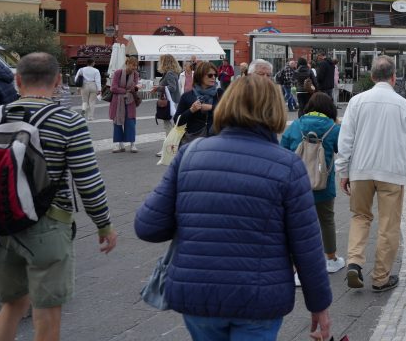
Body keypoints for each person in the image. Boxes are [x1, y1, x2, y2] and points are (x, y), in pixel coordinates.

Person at [134, 75, 332, 341]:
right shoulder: (287, 166)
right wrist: (319, 304)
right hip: (258, 297)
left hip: (198, 294)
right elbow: (306, 246)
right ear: (275, 110)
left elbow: (147, 226)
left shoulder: (191, 154)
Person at [0, 53, 118, 340]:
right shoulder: (68, 121)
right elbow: (88, 181)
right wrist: (104, 225)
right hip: (49, 223)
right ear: (57, 82)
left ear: (17, 80)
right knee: (47, 311)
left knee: (12, 304)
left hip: (3, 223)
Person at [336, 56, 406, 293]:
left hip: (361, 169)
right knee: (389, 223)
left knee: (360, 216)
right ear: (394, 77)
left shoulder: (356, 102)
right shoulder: (404, 105)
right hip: (391, 171)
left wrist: (343, 170)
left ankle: (355, 262)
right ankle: (380, 277)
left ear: (373, 76)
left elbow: (346, 139)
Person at [280, 92, 346, 280]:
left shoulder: (296, 125)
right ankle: (331, 259)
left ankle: (296, 268)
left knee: (297, 225)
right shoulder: (333, 128)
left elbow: (283, 150)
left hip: (296, 186)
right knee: (327, 221)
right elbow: (343, 151)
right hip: (323, 186)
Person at [175, 61, 222, 145]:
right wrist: (191, 110)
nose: (213, 77)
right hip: (194, 142)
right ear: (200, 76)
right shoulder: (187, 96)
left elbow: (230, 113)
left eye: (215, 75)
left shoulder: (219, 93)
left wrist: (211, 107)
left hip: (217, 141)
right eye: (210, 75)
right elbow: (177, 121)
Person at [109, 56, 141, 153]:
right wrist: (126, 90)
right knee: (117, 122)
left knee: (131, 122)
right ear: (127, 64)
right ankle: (119, 144)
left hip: (130, 101)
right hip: (117, 101)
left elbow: (134, 88)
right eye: (133, 65)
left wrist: (135, 88)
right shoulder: (118, 72)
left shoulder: (135, 74)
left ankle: (132, 144)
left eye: (136, 65)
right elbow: (113, 88)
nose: (134, 67)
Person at [154, 54, 182, 134]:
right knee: (170, 125)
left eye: (161, 61)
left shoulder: (170, 73)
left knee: (168, 126)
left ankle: (170, 141)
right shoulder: (171, 72)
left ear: (165, 62)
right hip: (172, 102)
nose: (159, 63)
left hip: (170, 103)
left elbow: (172, 87)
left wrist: (159, 88)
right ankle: (171, 141)